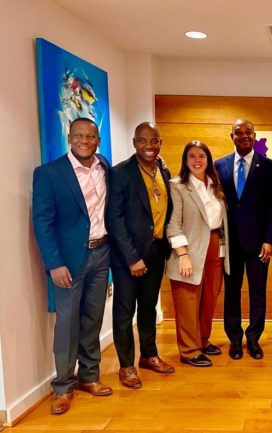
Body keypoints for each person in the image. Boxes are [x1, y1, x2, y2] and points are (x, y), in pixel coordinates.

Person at [32, 117, 112, 415]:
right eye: (78, 135)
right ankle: (63, 387)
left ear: (97, 140)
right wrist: (54, 264)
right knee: (66, 323)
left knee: (93, 318)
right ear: (69, 137)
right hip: (68, 261)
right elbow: (42, 221)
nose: (84, 140)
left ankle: (89, 377)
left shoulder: (104, 167)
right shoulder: (49, 174)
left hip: (101, 254)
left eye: (90, 136)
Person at [107, 122, 175, 389]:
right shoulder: (120, 173)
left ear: (161, 143)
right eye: (143, 141)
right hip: (129, 257)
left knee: (148, 307)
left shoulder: (164, 171)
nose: (149, 146)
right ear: (135, 142)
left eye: (154, 141)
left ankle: (149, 355)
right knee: (125, 311)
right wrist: (132, 257)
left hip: (157, 251)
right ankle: (126, 366)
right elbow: (115, 219)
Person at [215, 119, 272, 360]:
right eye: (238, 133)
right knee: (231, 292)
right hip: (230, 243)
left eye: (248, 132)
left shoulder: (269, 166)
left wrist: (269, 240)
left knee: (257, 292)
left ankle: (253, 339)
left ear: (254, 136)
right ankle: (234, 339)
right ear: (231, 136)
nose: (244, 136)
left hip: (258, 243)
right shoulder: (218, 165)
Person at [165, 141, 230, 367]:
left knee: (209, 300)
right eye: (191, 156)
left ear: (208, 160)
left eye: (201, 156)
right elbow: (172, 224)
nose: (197, 160)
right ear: (185, 160)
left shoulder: (215, 184)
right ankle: (189, 350)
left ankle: (202, 340)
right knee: (188, 302)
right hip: (189, 250)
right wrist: (182, 255)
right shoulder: (177, 186)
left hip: (215, 247)